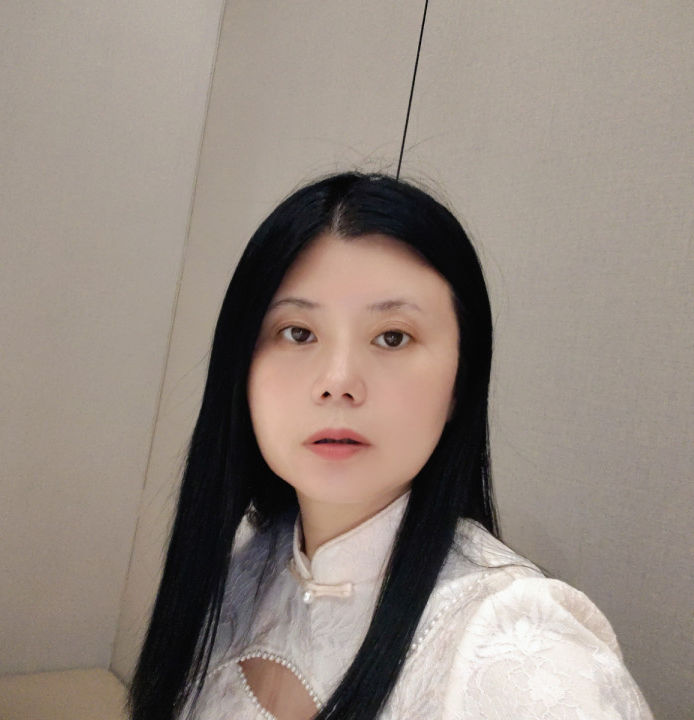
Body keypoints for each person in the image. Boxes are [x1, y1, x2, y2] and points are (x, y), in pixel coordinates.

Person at [129, 173, 653, 719]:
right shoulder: (245, 564)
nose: (338, 382)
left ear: (460, 381)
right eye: (298, 333)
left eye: (392, 337)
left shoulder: (523, 649)